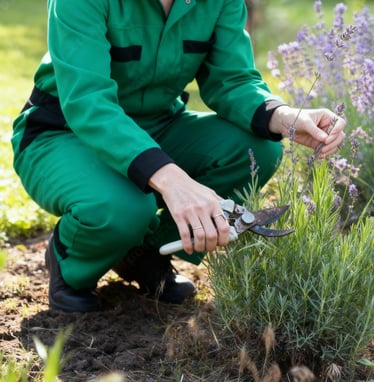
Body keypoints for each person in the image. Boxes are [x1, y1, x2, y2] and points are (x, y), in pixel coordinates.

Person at [9, 0, 346, 313]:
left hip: (158, 125)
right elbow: (88, 103)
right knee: (124, 208)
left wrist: (285, 117)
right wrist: (173, 181)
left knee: (258, 149)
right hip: (64, 133)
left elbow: (232, 80)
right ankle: (70, 261)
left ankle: (144, 254)